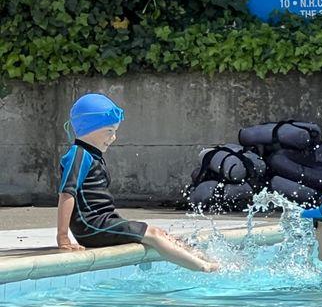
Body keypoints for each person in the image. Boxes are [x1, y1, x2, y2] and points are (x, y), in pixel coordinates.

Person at [56, 93, 218, 272]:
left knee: (159, 233)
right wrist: (63, 237)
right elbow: (66, 193)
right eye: (109, 131)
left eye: (115, 131)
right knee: (154, 235)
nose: (113, 137)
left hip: (104, 221)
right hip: (91, 226)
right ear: (88, 128)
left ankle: (201, 256)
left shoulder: (91, 155)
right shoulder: (78, 154)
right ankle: (205, 268)